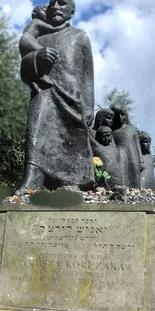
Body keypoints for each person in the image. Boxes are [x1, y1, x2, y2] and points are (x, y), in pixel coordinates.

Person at [15, 0, 94, 195]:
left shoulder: (80, 36)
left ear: (72, 11)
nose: (56, 7)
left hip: (72, 97)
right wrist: (36, 57)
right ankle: (33, 177)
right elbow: (24, 71)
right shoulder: (40, 38)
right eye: (53, 3)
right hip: (45, 92)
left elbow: (87, 75)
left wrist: (89, 106)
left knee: (73, 137)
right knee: (36, 127)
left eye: (62, 3)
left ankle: (71, 181)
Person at [111, 106, 144, 188]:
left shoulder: (131, 129)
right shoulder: (113, 130)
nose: (120, 117)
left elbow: (137, 145)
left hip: (133, 155)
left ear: (126, 115)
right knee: (122, 174)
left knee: (134, 172)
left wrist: (141, 160)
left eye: (122, 114)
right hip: (120, 156)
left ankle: (136, 192)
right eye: (117, 114)